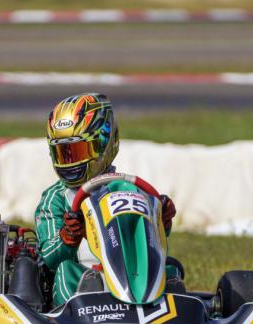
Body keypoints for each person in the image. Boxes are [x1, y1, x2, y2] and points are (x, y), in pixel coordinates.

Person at [34, 93, 178, 307]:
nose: (69, 163)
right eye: (62, 154)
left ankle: (166, 305)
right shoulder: (55, 198)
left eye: (76, 151)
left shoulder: (129, 189)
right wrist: (68, 237)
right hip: (85, 276)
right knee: (66, 272)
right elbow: (50, 259)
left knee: (172, 272)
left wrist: (160, 218)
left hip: (128, 273)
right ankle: (71, 315)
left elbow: (146, 239)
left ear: (104, 143)